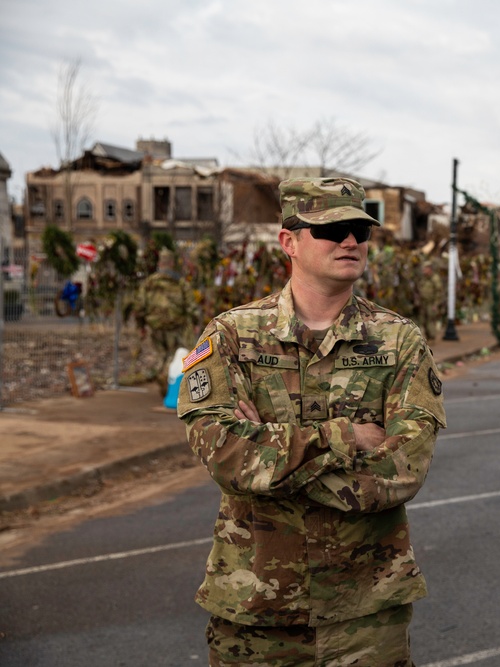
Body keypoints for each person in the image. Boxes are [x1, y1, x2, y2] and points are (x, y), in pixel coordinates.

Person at [177, 177, 446, 666]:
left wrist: (272, 457)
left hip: (365, 615)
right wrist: (346, 437)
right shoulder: (232, 336)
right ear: (289, 242)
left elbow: (403, 470)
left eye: (360, 231)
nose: (350, 241)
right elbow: (227, 458)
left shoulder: (399, 341)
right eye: (332, 229)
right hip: (256, 611)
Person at [133, 249, 197, 395]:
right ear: (173, 263)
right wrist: (194, 322)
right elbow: (191, 306)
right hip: (176, 326)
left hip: (155, 326)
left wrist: (141, 325)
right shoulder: (180, 283)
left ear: (160, 263)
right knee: (176, 355)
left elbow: (139, 306)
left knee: (160, 355)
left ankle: (163, 380)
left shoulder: (148, 283)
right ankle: (170, 383)